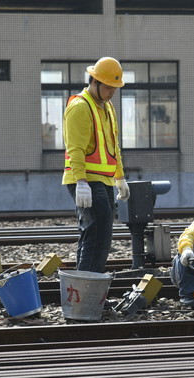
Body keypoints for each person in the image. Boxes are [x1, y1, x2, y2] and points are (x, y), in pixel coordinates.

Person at [62, 57, 130, 273]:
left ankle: (87, 292)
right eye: (109, 87)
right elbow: (75, 149)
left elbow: (113, 144)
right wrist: (81, 182)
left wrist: (120, 177)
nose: (112, 93)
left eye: (115, 88)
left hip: (103, 180)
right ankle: (86, 292)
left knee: (99, 234)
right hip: (86, 180)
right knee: (97, 234)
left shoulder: (107, 107)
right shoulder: (80, 107)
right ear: (95, 82)